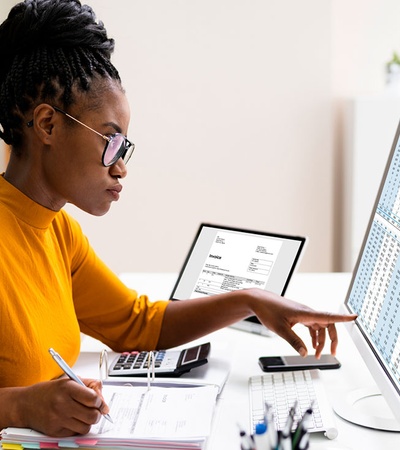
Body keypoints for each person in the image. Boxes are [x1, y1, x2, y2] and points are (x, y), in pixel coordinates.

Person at [0, 0, 356, 438]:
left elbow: (138, 325)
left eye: (124, 148)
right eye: (110, 142)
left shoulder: (59, 232)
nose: (121, 167)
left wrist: (250, 300)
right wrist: (19, 405)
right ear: (48, 126)